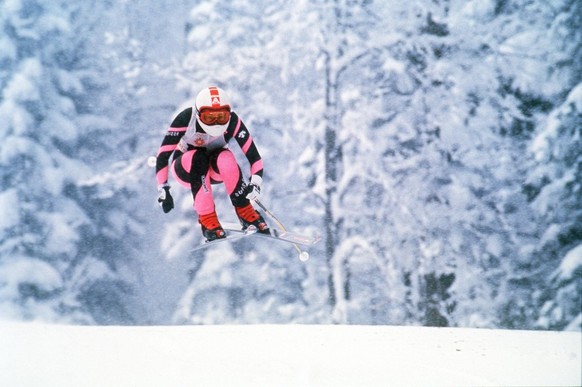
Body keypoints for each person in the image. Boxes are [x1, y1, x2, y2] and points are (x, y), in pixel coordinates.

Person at [155, 86, 270, 241]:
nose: (216, 123)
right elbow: (164, 154)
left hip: (215, 170)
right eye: (210, 117)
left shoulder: (233, 121)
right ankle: (207, 218)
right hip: (185, 169)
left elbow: (254, 157)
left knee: (226, 156)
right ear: (198, 114)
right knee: (198, 156)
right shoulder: (186, 119)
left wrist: (255, 182)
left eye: (221, 117)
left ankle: (245, 211)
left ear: (228, 114)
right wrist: (163, 188)